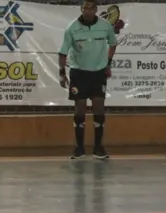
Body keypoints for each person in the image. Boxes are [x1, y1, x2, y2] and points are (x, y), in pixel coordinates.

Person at [58, 0, 118, 160]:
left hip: (98, 73)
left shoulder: (105, 26)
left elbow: (113, 43)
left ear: (96, 10)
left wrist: (108, 63)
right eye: (85, 8)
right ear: (81, 9)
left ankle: (99, 148)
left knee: (99, 108)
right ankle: (79, 148)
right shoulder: (72, 28)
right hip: (79, 73)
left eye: (91, 8)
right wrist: (62, 73)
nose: (88, 11)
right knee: (80, 110)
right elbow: (63, 52)